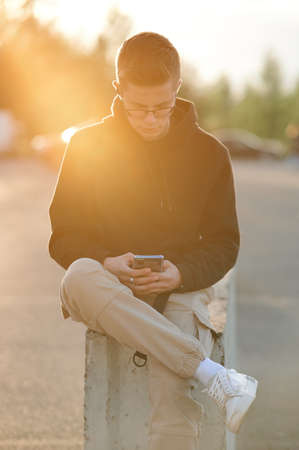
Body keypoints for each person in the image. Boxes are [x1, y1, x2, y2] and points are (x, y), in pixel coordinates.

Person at [48, 32, 258, 449]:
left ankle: (201, 374)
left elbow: (224, 243)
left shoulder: (210, 154)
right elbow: (63, 237)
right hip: (106, 286)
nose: (149, 119)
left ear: (177, 89)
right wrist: (108, 262)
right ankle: (214, 376)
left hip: (178, 287)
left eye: (161, 108)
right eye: (138, 108)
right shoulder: (86, 146)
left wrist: (180, 273)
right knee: (78, 275)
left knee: (172, 393)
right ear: (118, 89)